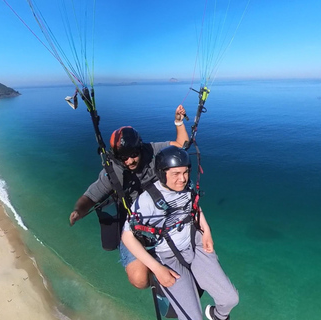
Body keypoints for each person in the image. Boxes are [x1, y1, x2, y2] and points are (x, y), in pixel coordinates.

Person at [69, 105, 189, 289]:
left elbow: (181, 146)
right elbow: (92, 195)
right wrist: (79, 210)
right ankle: (156, 279)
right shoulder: (114, 171)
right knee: (139, 280)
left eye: (134, 155)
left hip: (163, 218)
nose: (130, 161)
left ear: (140, 148)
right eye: (124, 158)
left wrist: (178, 122)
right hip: (135, 227)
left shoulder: (151, 151)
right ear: (117, 157)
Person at [122, 146, 239, 320]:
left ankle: (217, 316)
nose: (182, 179)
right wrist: (157, 269)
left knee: (230, 299)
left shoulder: (187, 187)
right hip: (168, 257)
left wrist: (206, 231)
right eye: (176, 174)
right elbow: (127, 237)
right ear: (162, 173)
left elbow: (195, 207)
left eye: (185, 172)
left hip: (195, 245)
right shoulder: (146, 201)